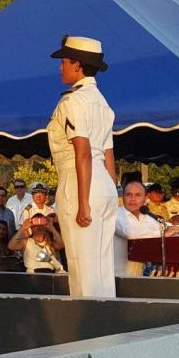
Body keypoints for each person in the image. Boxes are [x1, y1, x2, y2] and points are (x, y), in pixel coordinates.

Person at [46, 35, 117, 298]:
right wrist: (113, 195)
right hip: (104, 184)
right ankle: (107, 330)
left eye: (64, 62)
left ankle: (90, 333)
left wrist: (83, 202)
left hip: (80, 181)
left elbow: (83, 152)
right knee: (102, 268)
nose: (61, 67)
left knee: (81, 266)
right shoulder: (102, 103)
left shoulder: (72, 101)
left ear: (77, 65)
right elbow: (108, 154)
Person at [114, 180, 164, 277]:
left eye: (137, 195)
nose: (132, 199)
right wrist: (163, 233)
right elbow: (131, 234)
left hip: (144, 277)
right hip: (119, 276)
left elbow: (164, 230)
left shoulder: (149, 217)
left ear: (145, 198)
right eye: (128, 195)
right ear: (123, 197)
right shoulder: (116, 214)